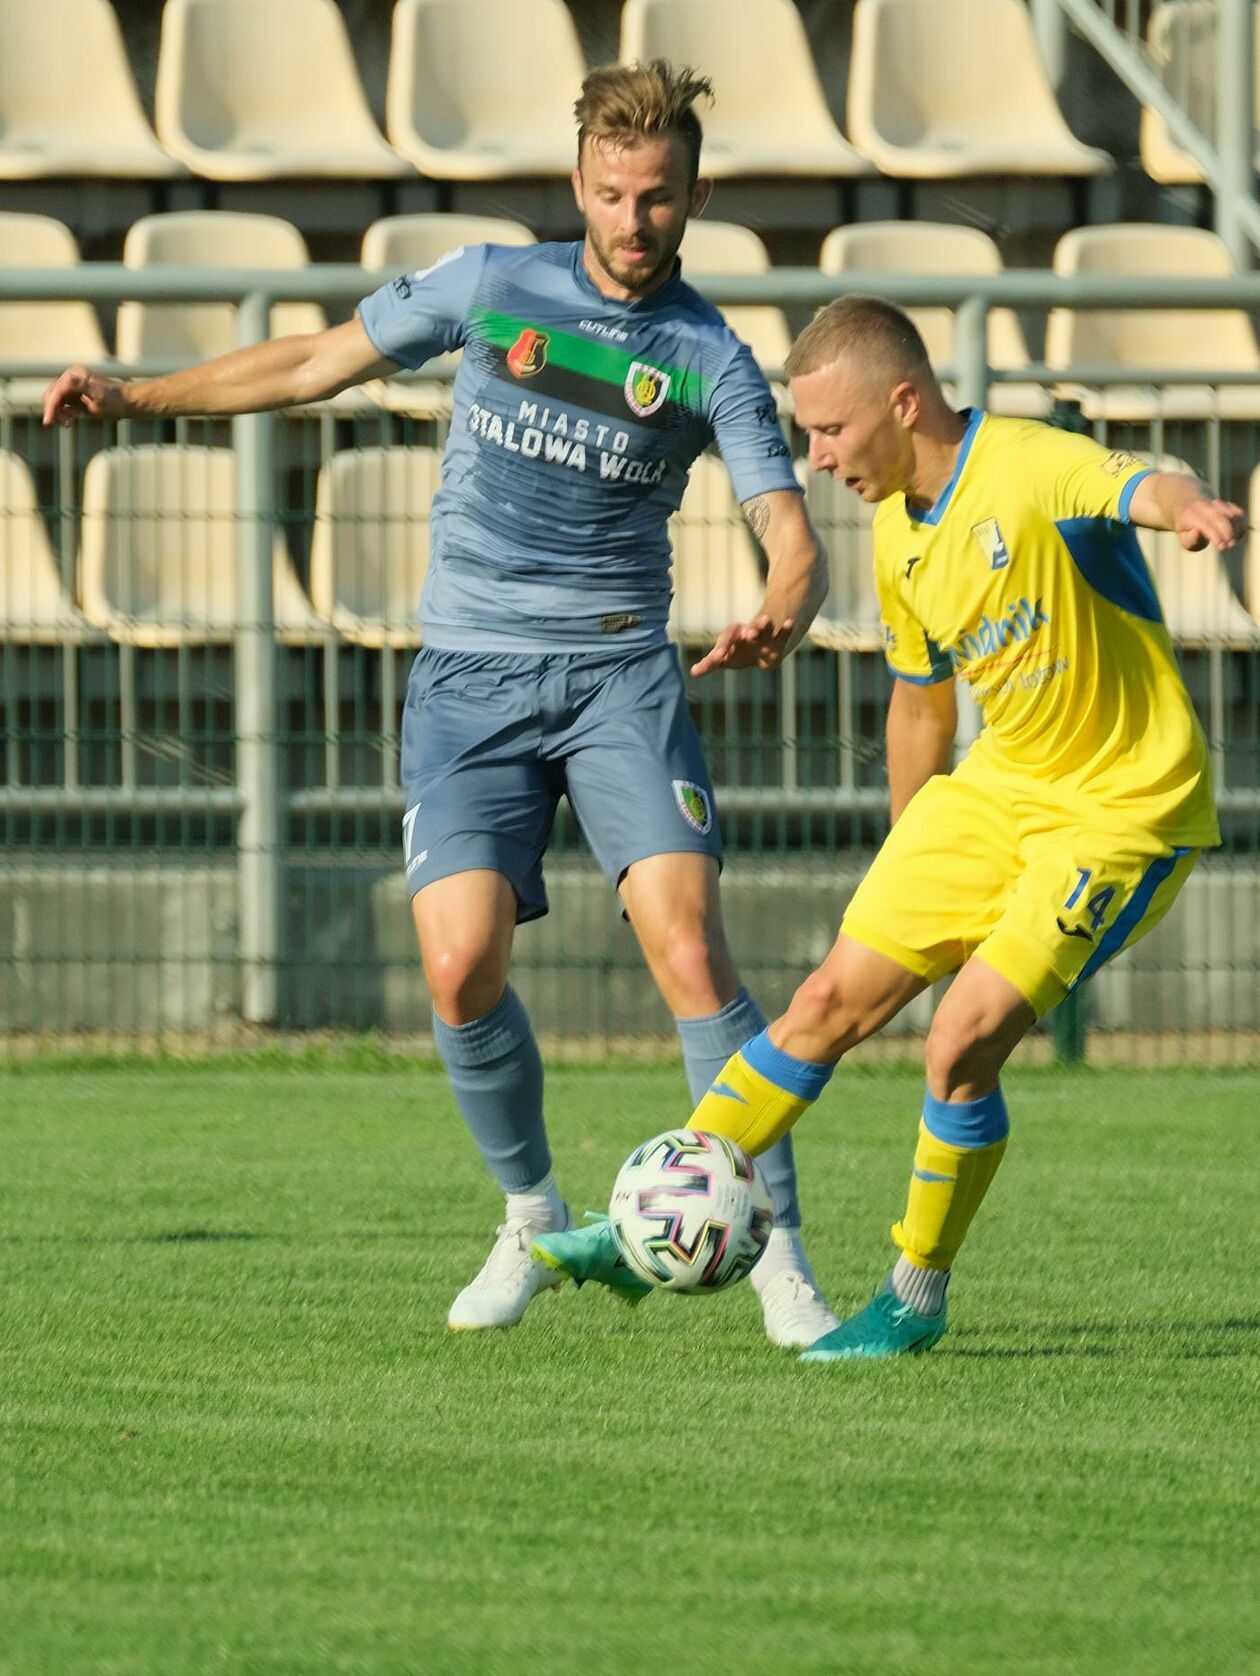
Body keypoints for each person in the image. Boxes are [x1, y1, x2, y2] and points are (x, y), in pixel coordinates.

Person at [42, 60, 842, 1348]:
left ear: (694, 197)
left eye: (661, 199)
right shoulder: (489, 286)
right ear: (579, 181)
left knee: (689, 947)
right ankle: (530, 1211)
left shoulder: (710, 359)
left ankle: (778, 1255)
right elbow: (315, 361)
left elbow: (791, 534)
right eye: (614, 193)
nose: (636, 222)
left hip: (619, 676)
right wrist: (137, 394)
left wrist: (784, 601)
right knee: (460, 966)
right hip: (469, 677)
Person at [536, 294, 1240, 1359]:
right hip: (993, 795)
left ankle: (915, 1293)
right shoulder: (900, 537)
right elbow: (921, 702)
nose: (815, 459)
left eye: (830, 431)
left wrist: (1190, 511)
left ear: (903, 402)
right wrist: (915, 850)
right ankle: (644, 1225)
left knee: (958, 1044)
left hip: (1120, 810)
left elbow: (1142, 484)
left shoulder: (1025, 464)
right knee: (823, 1000)